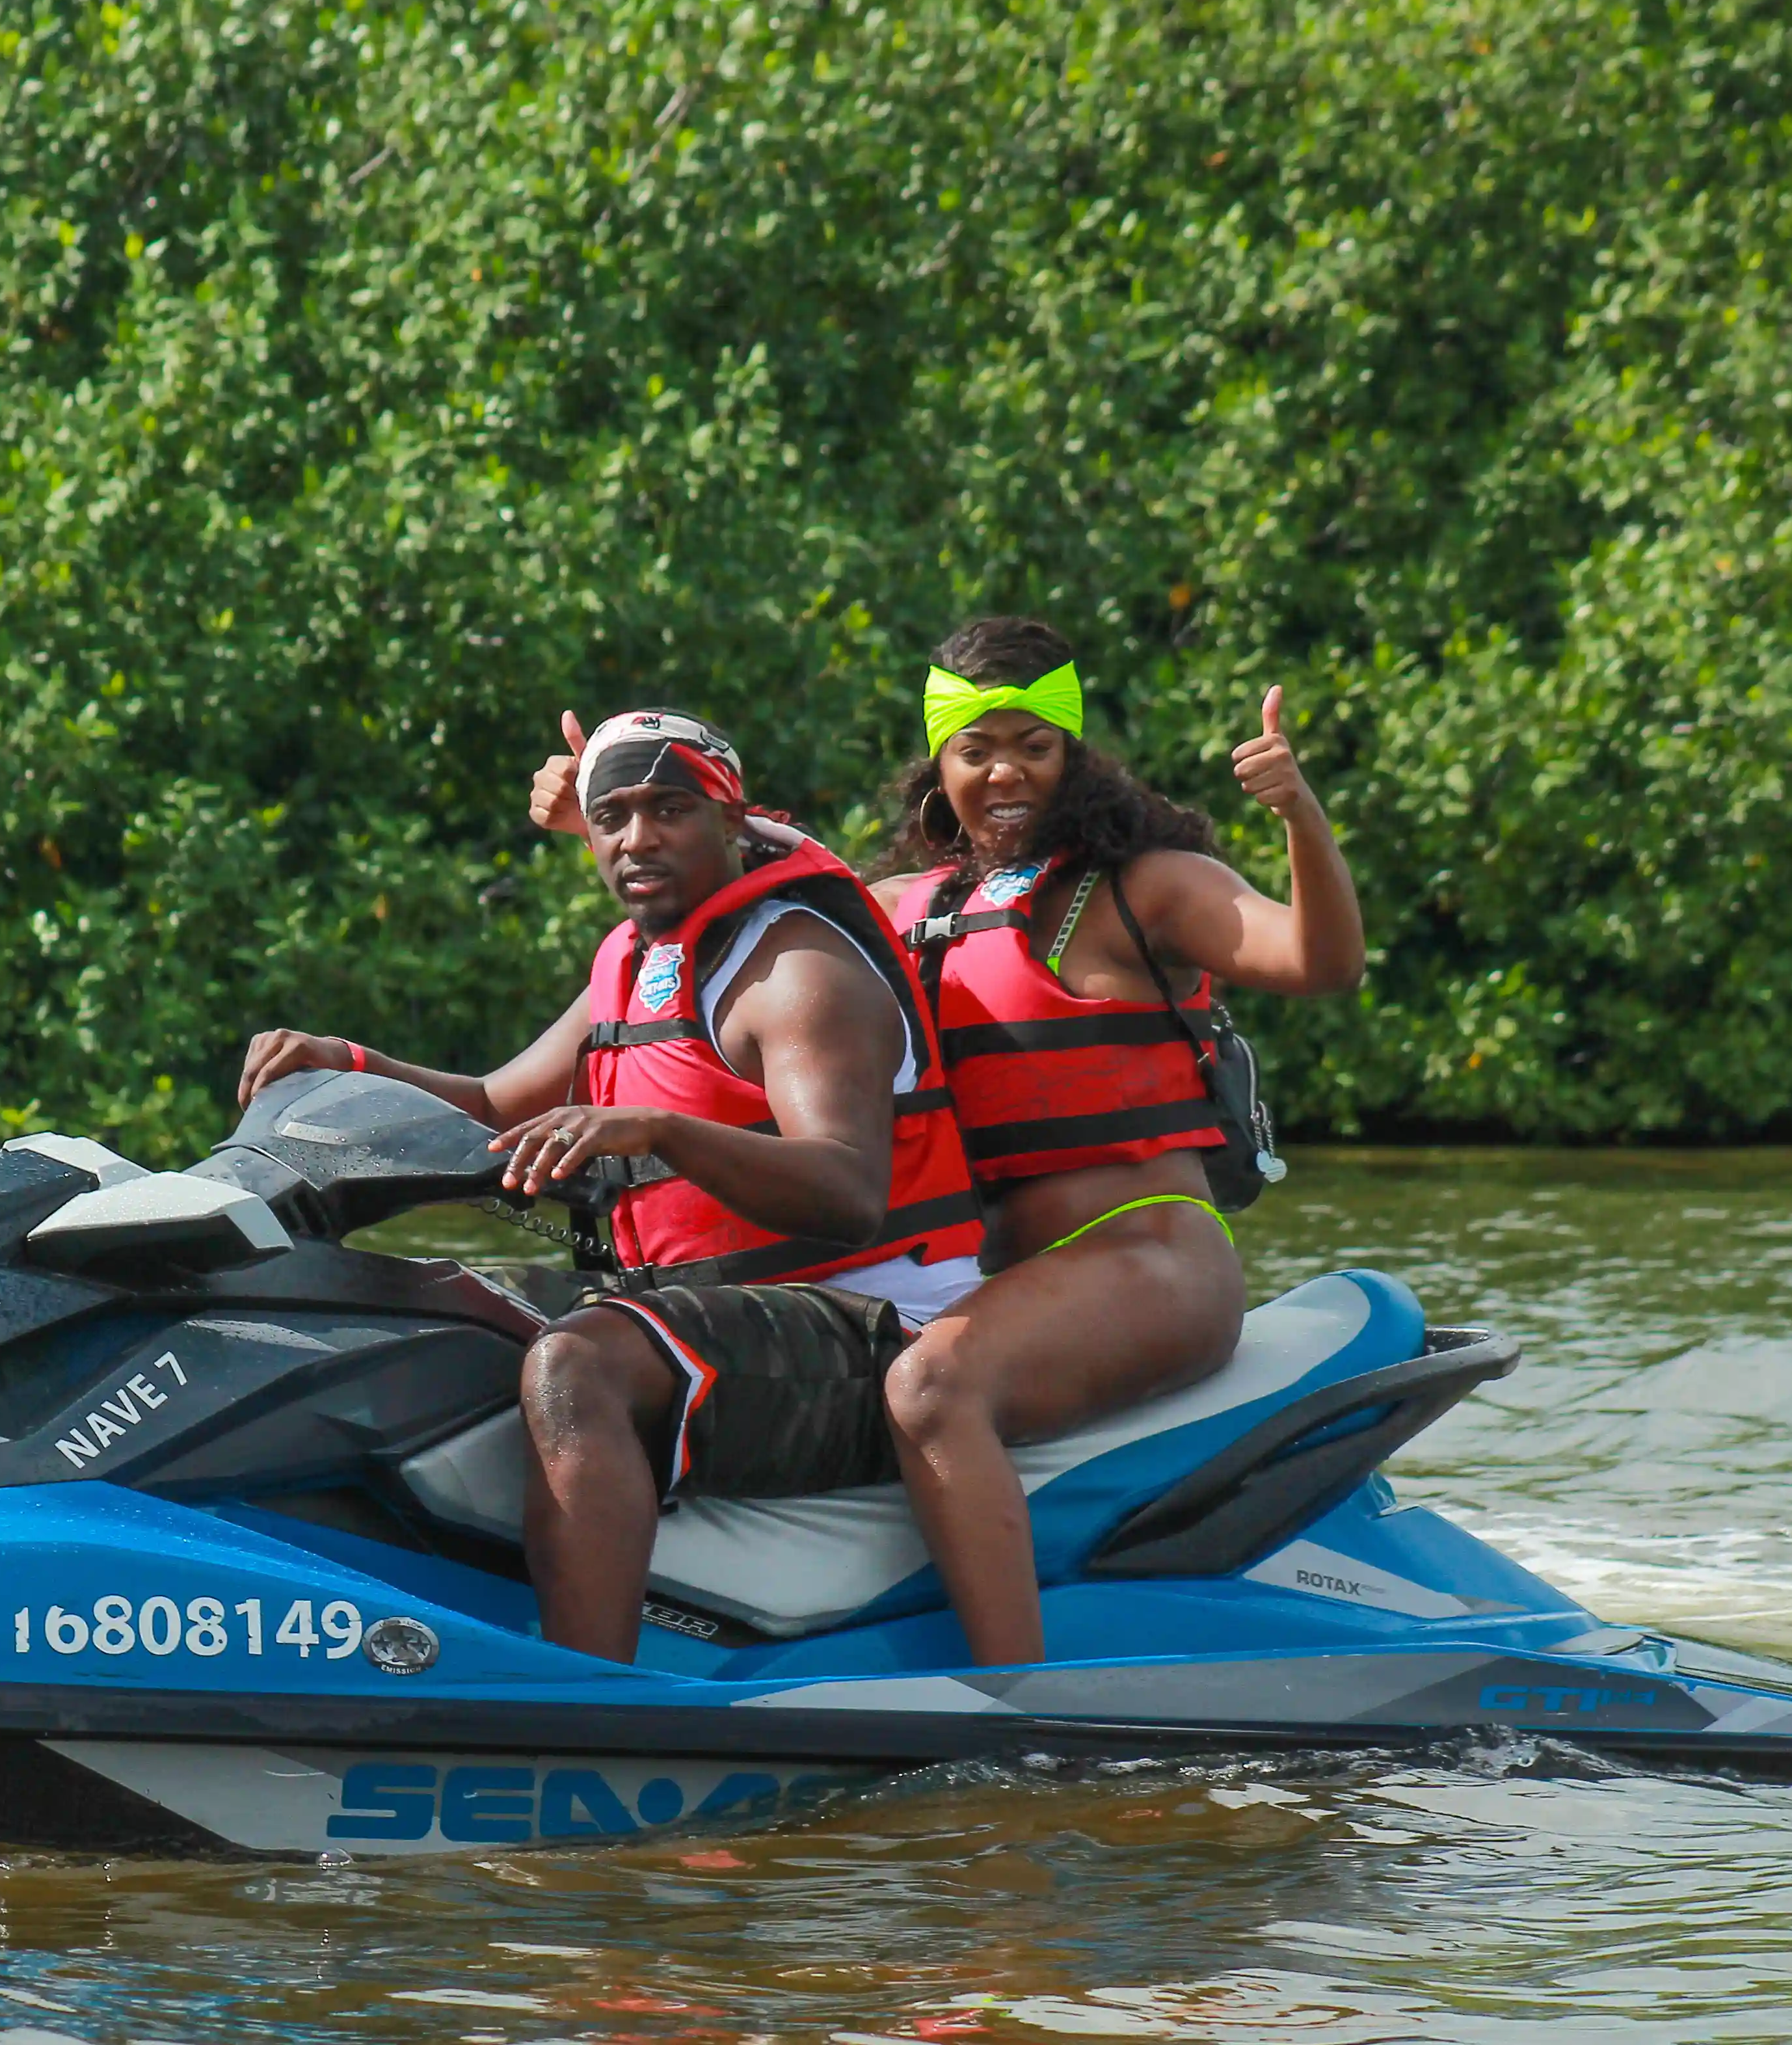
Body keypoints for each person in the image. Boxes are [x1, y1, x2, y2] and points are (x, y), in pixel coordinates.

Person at [528, 619, 1363, 1664]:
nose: (1004, 771)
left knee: (932, 1387)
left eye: (1033, 745)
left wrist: (1299, 814)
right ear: (941, 766)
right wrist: (608, 812)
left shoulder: (1143, 886)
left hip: (1150, 1254)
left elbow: (1318, 961)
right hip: (993, 1276)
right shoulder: (900, 906)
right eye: (976, 750)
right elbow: (739, 857)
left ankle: (1015, 1704)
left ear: (1075, 755)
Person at [240, 710, 982, 1661]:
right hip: (716, 1309)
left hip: (878, 1322)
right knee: (432, 1318)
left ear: (733, 821)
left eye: (670, 808)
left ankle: (585, 1695)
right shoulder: (638, 960)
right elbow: (493, 1102)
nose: (637, 838)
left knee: (574, 1366)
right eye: (615, 815)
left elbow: (847, 1189)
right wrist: (344, 1060)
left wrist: (661, 1128)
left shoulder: (795, 971)